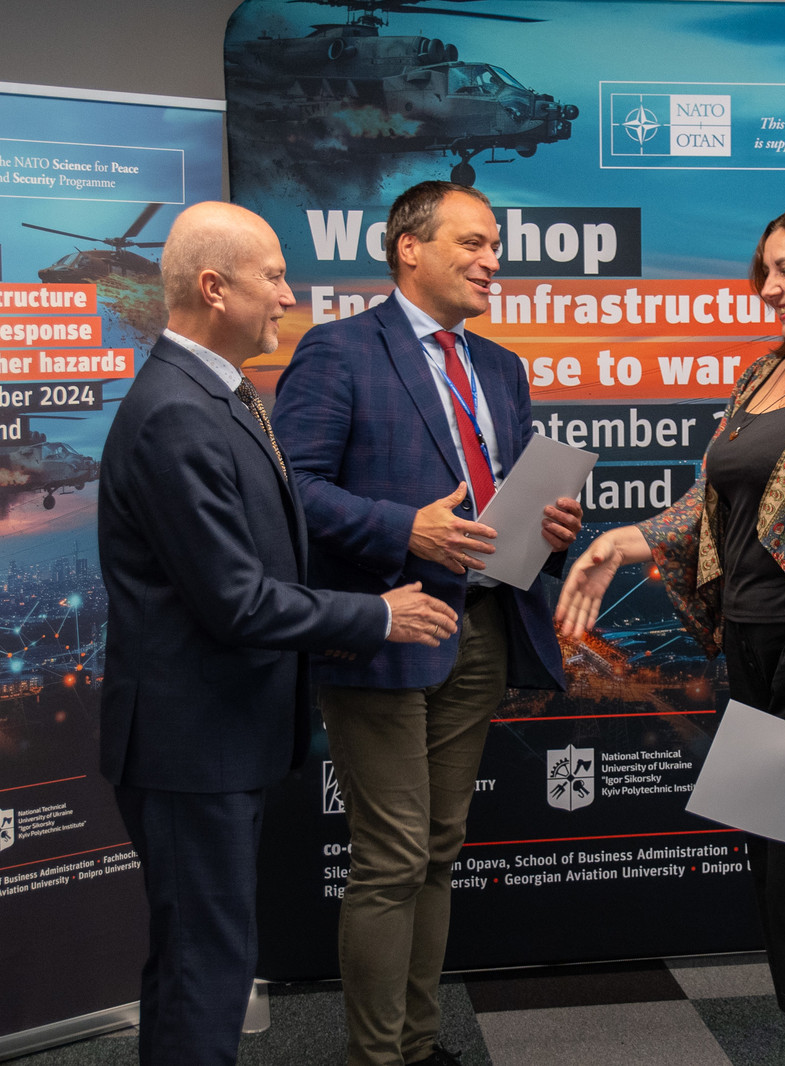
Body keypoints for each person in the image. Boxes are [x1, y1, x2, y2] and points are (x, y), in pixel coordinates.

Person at [557, 200, 785, 1066]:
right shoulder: (765, 374)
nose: (769, 288)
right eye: (765, 270)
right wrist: (625, 540)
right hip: (754, 651)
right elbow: (717, 501)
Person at [98, 201, 458, 1066]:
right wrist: (380, 615)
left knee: (201, 959)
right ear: (214, 288)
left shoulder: (215, 395)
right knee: (205, 968)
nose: (289, 297)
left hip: (216, 739)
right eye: (273, 277)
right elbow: (236, 601)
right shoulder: (177, 412)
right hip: (191, 748)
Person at [272, 181, 582, 1066]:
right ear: (409, 247)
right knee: (394, 855)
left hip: (480, 624)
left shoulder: (500, 368)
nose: (492, 262)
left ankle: (416, 1046)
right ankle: (377, 1060)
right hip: (386, 628)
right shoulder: (338, 351)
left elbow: (508, 497)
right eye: (473, 243)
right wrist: (402, 529)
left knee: (439, 850)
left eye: (496, 248)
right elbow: (291, 489)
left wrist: (551, 525)